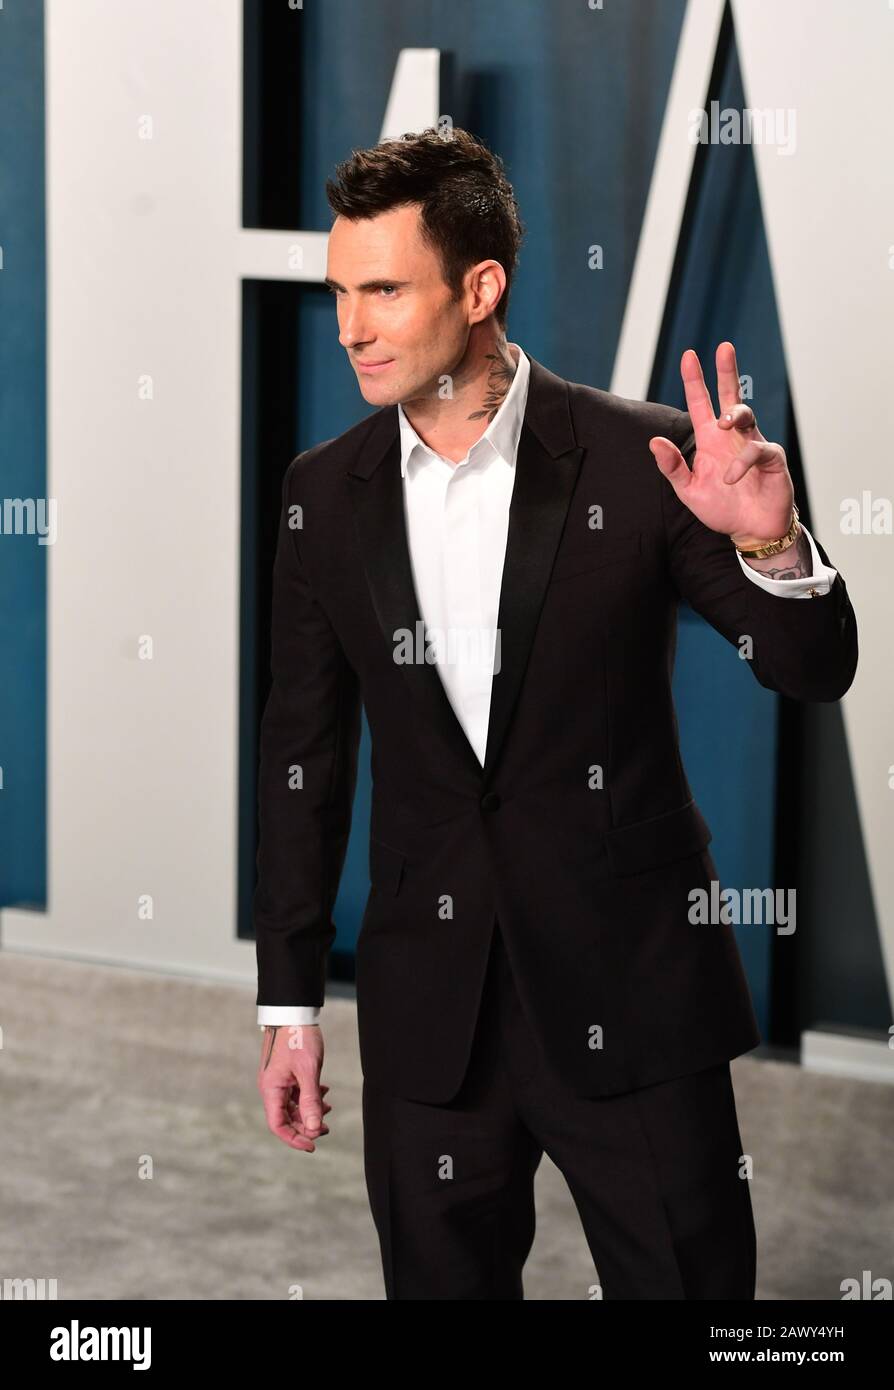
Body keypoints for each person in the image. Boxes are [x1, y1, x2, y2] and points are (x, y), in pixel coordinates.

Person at [253, 127, 857, 1299]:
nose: (351, 327)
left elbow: (809, 669)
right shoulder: (322, 495)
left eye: (383, 289)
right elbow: (303, 756)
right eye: (339, 292)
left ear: (481, 288)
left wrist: (771, 538)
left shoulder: (648, 460)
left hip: (634, 997)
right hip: (432, 1018)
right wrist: (288, 1002)